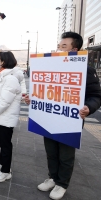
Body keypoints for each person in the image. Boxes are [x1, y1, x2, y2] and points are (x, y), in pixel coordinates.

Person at [25, 32, 101, 200]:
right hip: (48, 118)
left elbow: (96, 96)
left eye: (63, 47)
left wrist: (89, 107)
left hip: (70, 121)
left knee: (66, 155)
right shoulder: (49, 68)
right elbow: (42, 91)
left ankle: (62, 184)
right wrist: (33, 98)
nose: (59, 49)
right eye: (58, 46)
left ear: (74, 49)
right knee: (51, 152)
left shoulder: (86, 70)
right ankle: (52, 178)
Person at [0, 51, 23, 182]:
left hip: (5, 116)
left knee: (6, 144)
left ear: (4, 61)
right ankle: (2, 165)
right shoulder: (2, 76)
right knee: (3, 142)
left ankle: (6, 171)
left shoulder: (10, 78)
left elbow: (5, 101)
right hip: (2, 116)